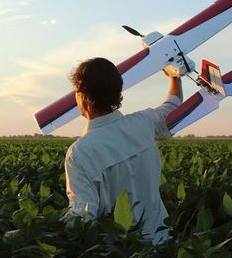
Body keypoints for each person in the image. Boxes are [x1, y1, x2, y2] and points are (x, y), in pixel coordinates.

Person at [63, 57, 182, 244]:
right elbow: (173, 104)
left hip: (122, 253)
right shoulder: (144, 123)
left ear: (83, 96)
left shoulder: (79, 153)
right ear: (118, 92)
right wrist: (175, 77)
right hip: (163, 241)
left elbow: (83, 215)